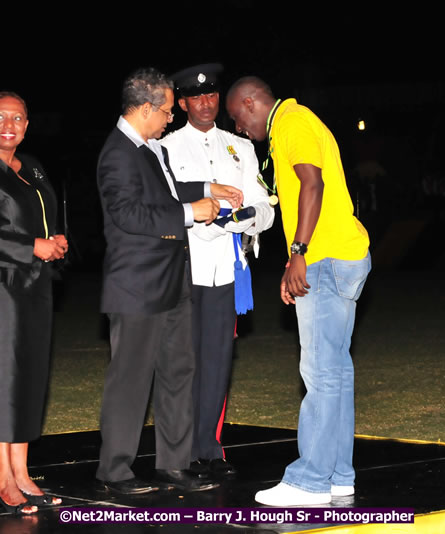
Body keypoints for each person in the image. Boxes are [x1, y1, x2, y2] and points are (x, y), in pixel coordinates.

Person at [95, 67, 242, 495]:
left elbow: (168, 187)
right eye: (164, 110)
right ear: (144, 109)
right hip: (137, 286)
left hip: (173, 280)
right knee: (131, 378)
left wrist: (206, 187)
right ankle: (114, 470)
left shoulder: (148, 147)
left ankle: (174, 463)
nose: (169, 118)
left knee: (180, 370)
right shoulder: (117, 152)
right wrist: (188, 213)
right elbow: (127, 214)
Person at [225, 76, 371, 506]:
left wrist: (298, 253)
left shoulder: (291, 122)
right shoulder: (296, 122)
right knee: (337, 374)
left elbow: (313, 183)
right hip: (340, 256)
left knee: (322, 373)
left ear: (251, 103)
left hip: (324, 259)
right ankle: (338, 475)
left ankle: (308, 480)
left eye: (237, 117)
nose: (238, 128)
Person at [161, 64, 275, 478]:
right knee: (182, 361)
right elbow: (165, 208)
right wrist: (206, 223)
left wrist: (244, 219)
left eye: (212, 96)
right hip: (185, 268)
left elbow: (266, 207)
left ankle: (209, 447)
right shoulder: (167, 148)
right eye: (196, 97)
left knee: (218, 360)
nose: (206, 103)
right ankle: (181, 450)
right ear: (184, 102)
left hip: (228, 269)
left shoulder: (240, 148)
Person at [0, 92, 67, 515]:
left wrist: (54, 242)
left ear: (27, 124)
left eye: (17, 117)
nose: (9, 124)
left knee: (29, 380)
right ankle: (3, 479)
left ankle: (23, 473)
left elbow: (43, 217)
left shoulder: (34, 166)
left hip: (35, 289)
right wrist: (31, 247)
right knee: (1, 381)